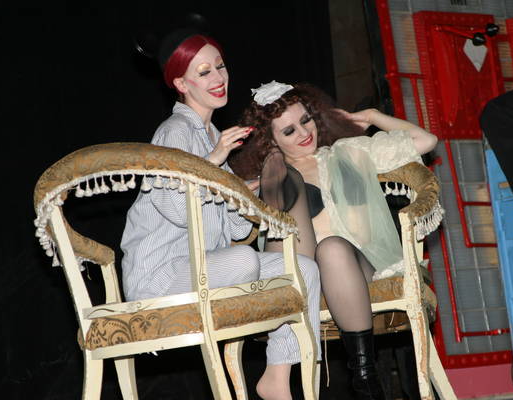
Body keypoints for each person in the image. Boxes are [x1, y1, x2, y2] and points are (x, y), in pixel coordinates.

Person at [120, 34, 321, 400]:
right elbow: (175, 208)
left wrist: (250, 190)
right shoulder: (174, 132)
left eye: (220, 66)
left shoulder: (213, 135)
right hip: (160, 277)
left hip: (205, 269)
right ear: (182, 84)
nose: (218, 77)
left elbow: (237, 228)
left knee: (304, 269)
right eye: (204, 71)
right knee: (243, 260)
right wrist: (213, 162)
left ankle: (277, 380)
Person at [230, 81, 437, 400]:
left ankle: (364, 378)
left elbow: (426, 140)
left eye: (306, 120)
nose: (304, 133)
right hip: (298, 273)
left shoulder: (347, 152)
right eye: (289, 131)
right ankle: (283, 374)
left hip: (358, 269)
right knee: (283, 177)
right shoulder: (272, 179)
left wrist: (372, 116)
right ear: (270, 141)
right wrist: (256, 183)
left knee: (332, 248)